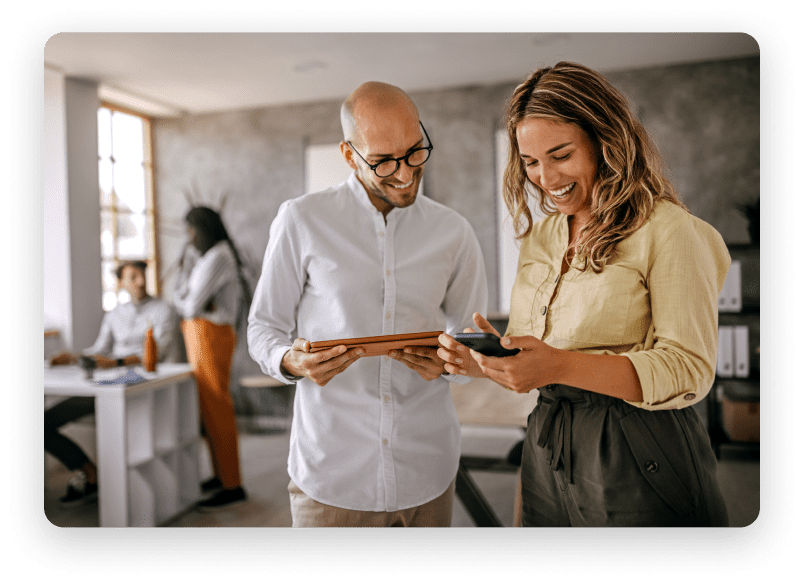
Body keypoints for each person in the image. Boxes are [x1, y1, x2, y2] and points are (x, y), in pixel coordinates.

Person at [438, 62, 731, 527]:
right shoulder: (541, 237)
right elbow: (538, 349)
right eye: (531, 162)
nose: (545, 178)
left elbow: (688, 368)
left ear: (605, 141)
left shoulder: (669, 230)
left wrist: (557, 364)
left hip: (639, 445)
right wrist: (485, 362)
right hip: (548, 440)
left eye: (561, 155)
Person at [247, 81, 488, 527]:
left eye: (416, 151)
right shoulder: (301, 220)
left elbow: (470, 337)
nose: (405, 172)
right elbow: (264, 328)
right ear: (348, 155)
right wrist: (290, 361)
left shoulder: (454, 232)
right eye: (382, 162)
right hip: (333, 474)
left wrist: (462, 359)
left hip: (427, 468)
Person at [46, 260, 177, 507]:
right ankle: (89, 472)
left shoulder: (163, 310)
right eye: (132, 277)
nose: (139, 281)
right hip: (105, 385)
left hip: (139, 387)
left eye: (142, 275)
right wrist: (73, 357)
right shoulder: (114, 314)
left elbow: (157, 354)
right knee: (42, 422)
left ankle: (125, 492)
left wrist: (115, 362)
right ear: (121, 283)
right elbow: (98, 350)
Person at [174, 206, 252, 511]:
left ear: (203, 228)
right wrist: (189, 298)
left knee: (217, 407)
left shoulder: (218, 256)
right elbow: (188, 298)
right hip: (203, 335)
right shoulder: (210, 257)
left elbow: (189, 303)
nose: (189, 238)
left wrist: (188, 299)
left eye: (192, 231)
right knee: (208, 409)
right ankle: (222, 476)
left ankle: (232, 484)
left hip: (210, 335)